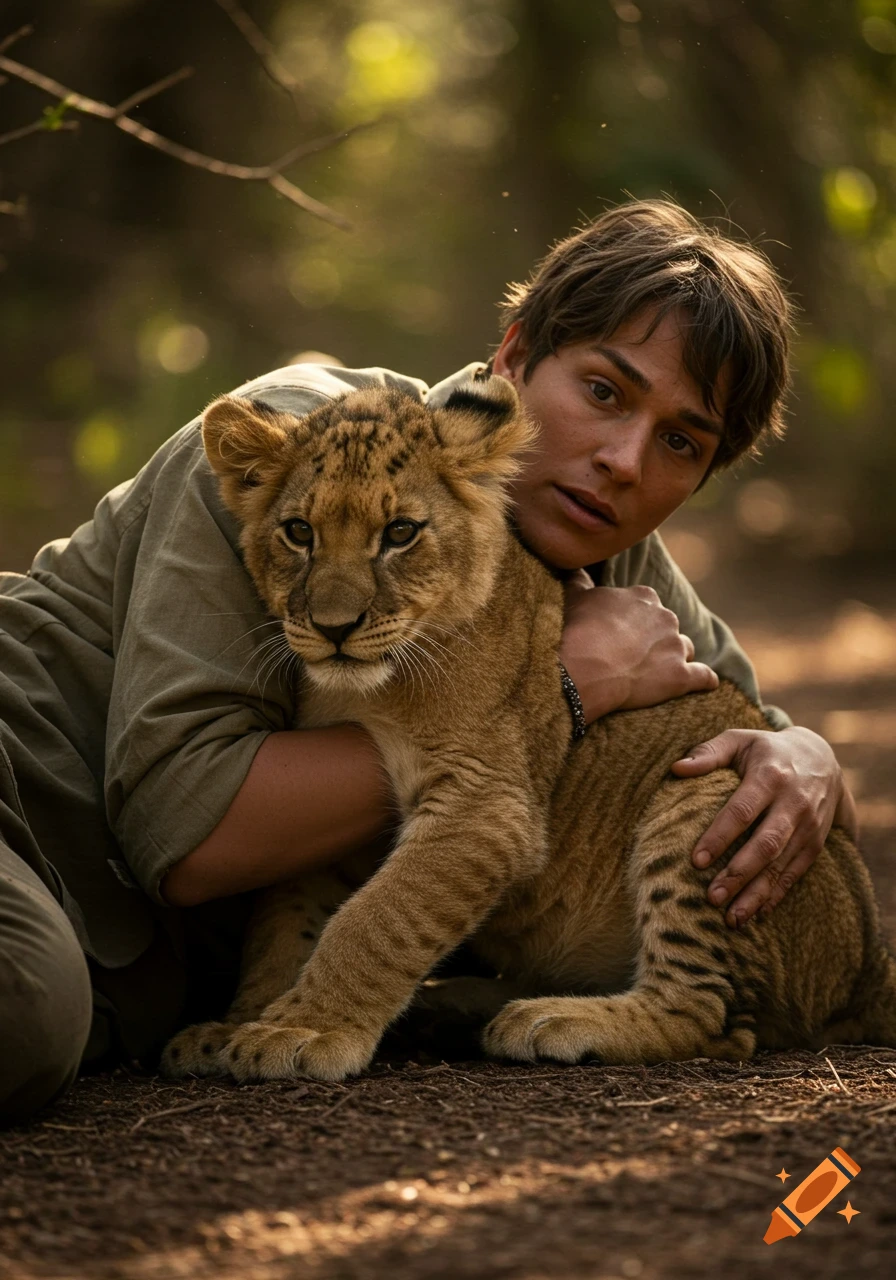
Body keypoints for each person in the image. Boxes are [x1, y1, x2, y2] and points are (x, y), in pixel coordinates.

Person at [0, 199, 857, 1126]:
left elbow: (728, 741)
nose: (622, 460)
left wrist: (806, 754)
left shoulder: (594, 535)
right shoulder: (301, 458)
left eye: (680, 443)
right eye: (604, 392)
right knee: (24, 1008)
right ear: (515, 358)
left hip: (116, 957)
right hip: (22, 793)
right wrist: (565, 690)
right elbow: (189, 835)